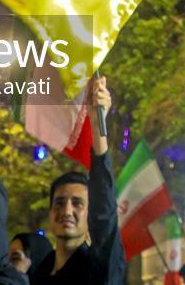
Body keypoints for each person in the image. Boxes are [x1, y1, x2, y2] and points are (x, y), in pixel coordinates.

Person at [31, 75, 126, 284]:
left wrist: (97, 126)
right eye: (59, 203)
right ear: (50, 212)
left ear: (90, 214)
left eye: (78, 203)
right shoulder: (38, 273)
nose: (67, 211)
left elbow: (104, 214)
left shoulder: (98, 268)